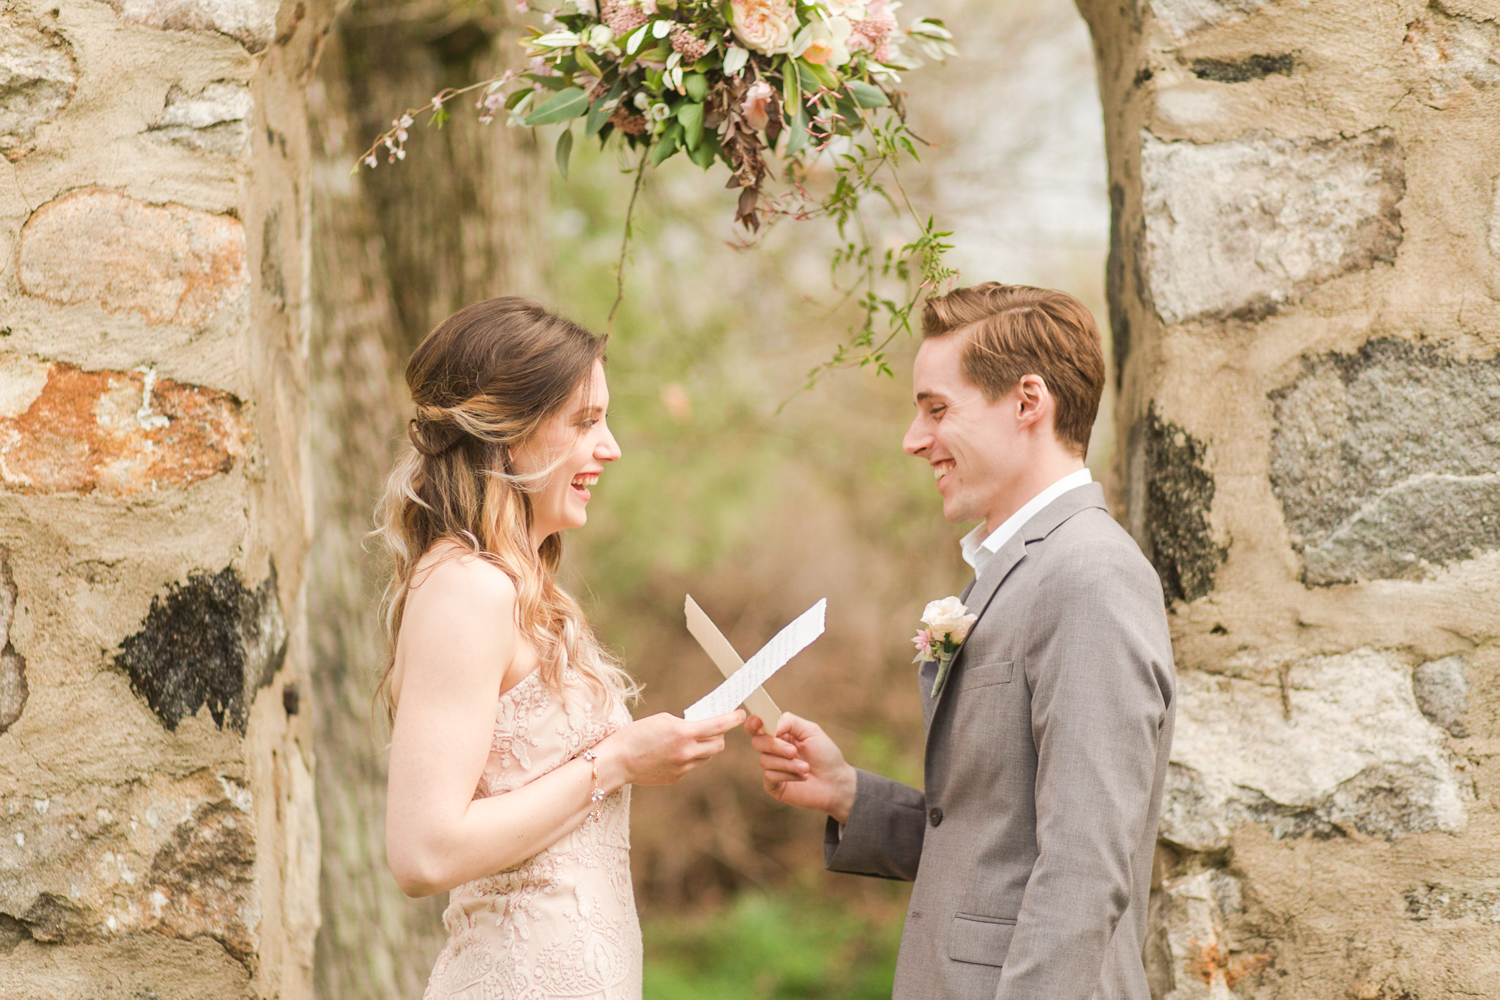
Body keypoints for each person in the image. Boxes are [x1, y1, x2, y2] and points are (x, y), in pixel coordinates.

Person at [747, 283, 1176, 1000]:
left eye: (937, 409)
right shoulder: (1017, 572)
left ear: (1028, 402)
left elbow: (1083, 867)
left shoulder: (1089, 576)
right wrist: (851, 795)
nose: (914, 440)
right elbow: (998, 845)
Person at [374, 297, 745, 1000]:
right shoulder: (466, 588)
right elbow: (422, 854)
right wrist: (616, 762)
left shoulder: (524, 589)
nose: (611, 447)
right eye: (584, 422)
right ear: (506, 431)